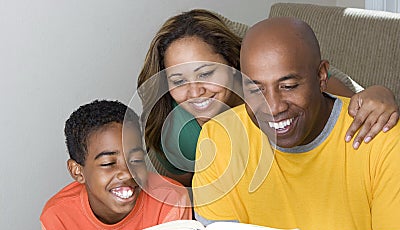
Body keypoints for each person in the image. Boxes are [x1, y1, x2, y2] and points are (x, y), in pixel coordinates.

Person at [158, 17, 400, 230]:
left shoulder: (378, 133)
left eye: (289, 86)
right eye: (256, 88)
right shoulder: (215, 137)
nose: (272, 106)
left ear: (321, 76)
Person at [137, 9, 399, 187]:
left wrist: (379, 94)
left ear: (232, 62)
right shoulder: (177, 133)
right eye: (178, 80)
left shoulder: (272, 83)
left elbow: (345, 101)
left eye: (206, 73)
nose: (195, 92)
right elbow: (184, 193)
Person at [40, 100, 191, 230]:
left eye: (136, 159)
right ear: (77, 171)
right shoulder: (57, 217)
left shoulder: (170, 199)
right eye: (108, 163)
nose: (127, 173)